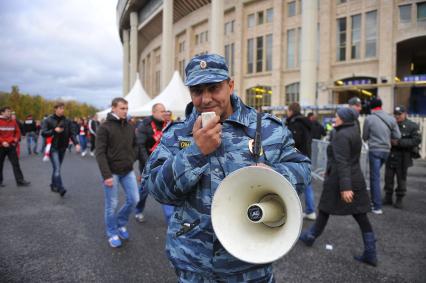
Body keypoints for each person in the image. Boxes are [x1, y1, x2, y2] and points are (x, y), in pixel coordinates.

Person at [142, 54, 311, 282]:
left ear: (230, 85)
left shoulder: (266, 128)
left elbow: (302, 167)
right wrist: (195, 153)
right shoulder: (176, 134)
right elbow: (156, 189)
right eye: (197, 91)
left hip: (250, 263)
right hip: (194, 263)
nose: (205, 99)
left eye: (214, 88)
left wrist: (276, 177)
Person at [300, 107, 378, 267]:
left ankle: (310, 236)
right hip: (354, 178)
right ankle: (371, 252)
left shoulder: (341, 135)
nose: (334, 118)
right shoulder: (353, 130)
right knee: (359, 215)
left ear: (343, 118)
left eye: (336, 116)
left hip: (340, 181)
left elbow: (342, 162)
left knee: (325, 210)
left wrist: (345, 187)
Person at [95, 97, 139, 248]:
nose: (125, 111)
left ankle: (121, 223)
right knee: (111, 204)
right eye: (122, 108)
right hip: (111, 172)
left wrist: (131, 159)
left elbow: (136, 145)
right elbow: (99, 153)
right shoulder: (104, 127)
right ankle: (112, 232)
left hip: (127, 170)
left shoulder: (129, 126)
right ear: (113, 108)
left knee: (134, 199)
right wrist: (106, 175)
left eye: (127, 108)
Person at [362, 97, 400, 214]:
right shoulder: (390, 118)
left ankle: (377, 206)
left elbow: (365, 137)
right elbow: (397, 135)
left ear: (371, 107)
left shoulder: (369, 118)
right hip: (386, 151)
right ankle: (376, 202)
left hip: (375, 150)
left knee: (375, 178)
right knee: (376, 176)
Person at [134, 103, 169, 223]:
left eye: (165, 111)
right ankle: (138, 210)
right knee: (144, 191)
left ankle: (171, 219)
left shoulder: (168, 124)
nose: (164, 113)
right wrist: (148, 164)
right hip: (148, 164)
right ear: (153, 112)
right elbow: (141, 146)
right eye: (161, 111)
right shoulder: (145, 125)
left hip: (165, 164)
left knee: (166, 189)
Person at [383, 106, 421, 209]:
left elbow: (416, 140)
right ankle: (388, 197)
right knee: (388, 177)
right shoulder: (390, 124)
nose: (397, 116)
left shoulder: (412, 126)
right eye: (395, 114)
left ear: (405, 114)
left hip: (404, 156)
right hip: (391, 155)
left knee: (401, 179)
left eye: (399, 114)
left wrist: (399, 142)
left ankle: (399, 198)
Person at [41, 102, 80, 196]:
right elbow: (43, 133)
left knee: (56, 168)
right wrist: (54, 130)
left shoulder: (67, 120)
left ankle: (53, 184)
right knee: (57, 168)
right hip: (53, 147)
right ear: (55, 109)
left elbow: (72, 133)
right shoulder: (48, 120)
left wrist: (76, 143)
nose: (63, 110)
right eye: (61, 108)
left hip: (63, 147)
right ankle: (60, 187)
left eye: (63, 108)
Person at [286, 103, 316, 220]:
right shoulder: (306, 123)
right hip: (307, 155)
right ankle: (310, 210)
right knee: (307, 184)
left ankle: (290, 211)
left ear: (291, 111)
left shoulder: (295, 124)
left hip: (297, 157)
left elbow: (293, 141)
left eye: (288, 110)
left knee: (292, 184)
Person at [0, 106, 31, 187]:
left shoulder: (13, 121)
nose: (9, 113)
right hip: (1, 146)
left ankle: (20, 181)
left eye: (10, 111)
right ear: (2, 112)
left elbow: (17, 132)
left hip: (11, 145)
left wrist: (15, 140)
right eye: (7, 111)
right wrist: (2, 142)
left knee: (16, 163)